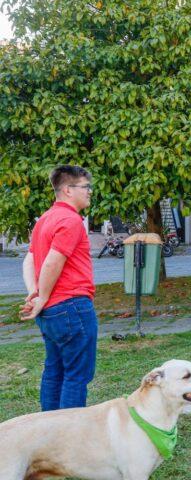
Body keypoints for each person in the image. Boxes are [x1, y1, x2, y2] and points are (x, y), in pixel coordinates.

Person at [20, 165, 98, 411]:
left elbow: (30, 259)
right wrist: (40, 296)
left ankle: (50, 433)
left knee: (54, 372)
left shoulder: (45, 219)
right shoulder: (70, 220)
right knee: (76, 376)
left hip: (52, 312)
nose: (90, 192)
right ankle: (69, 440)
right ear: (67, 189)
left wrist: (35, 293)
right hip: (72, 307)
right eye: (85, 187)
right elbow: (54, 259)